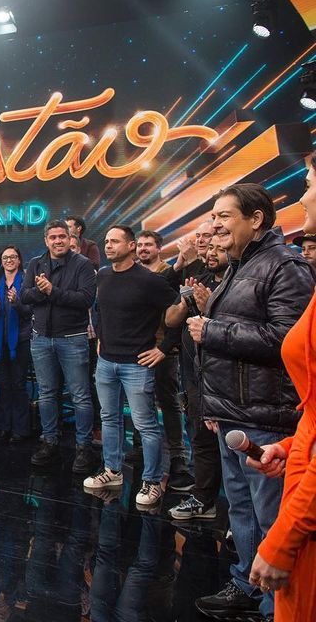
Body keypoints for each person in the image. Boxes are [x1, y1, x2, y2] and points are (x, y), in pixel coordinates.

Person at [188, 183, 313, 621]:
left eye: (224, 216)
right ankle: (246, 584)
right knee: (240, 508)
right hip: (232, 413)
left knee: (269, 514)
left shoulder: (285, 266)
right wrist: (213, 408)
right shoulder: (240, 265)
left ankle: (274, 603)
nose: (215, 224)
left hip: (266, 418)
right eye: (214, 216)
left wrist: (212, 331)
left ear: (256, 219)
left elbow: (289, 340)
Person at [244, 157, 316, 622]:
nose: (305, 195)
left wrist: (285, 535)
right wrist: (292, 447)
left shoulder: (284, 266)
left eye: (312, 183)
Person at [81, 226, 176, 509]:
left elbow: (179, 310)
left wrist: (163, 348)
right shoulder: (104, 276)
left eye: (115, 241)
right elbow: (99, 311)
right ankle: (112, 470)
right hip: (107, 361)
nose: (108, 246)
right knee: (109, 418)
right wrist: (100, 337)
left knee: (146, 425)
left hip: (137, 364)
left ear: (131, 246)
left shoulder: (149, 280)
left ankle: (152, 481)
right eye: (106, 241)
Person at [21, 220, 97, 473]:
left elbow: (85, 299)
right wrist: (44, 292)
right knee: (46, 393)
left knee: (80, 396)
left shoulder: (83, 265)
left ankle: (84, 447)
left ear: (70, 238)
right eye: (52, 237)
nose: (58, 241)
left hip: (73, 339)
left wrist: (52, 291)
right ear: (46, 240)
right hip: (41, 338)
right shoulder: (35, 264)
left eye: (62, 236)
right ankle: (49, 441)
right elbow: (24, 296)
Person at [165, 242, 229, 521]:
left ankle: (243, 515)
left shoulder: (235, 282)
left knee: (232, 445)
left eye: (219, 247)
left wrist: (209, 306)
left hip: (226, 374)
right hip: (194, 372)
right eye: (209, 249)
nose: (212, 253)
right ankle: (204, 499)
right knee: (200, 437)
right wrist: (184, 302)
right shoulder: (197, 280)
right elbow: (170, 321)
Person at [134, 230, 189, 490]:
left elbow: (177, 315)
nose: (143, 249)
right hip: (136, 349)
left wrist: (166, 348)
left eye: (149, 245)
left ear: (159, 248)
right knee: (139, 402)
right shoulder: (132, 273)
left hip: (162, 350)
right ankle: (139, 448)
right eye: (141, 244)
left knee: (168, 403)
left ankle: (177, 457)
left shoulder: (171, 274)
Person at [0, 246, 32, 441]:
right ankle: (4, 426)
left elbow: (30, 312)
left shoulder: (27, 282)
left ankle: (20, 429)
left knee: (19, 384)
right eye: (5, 257)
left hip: (21, 340)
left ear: (19, 260)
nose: (9, 260)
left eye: (13, 257)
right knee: (4, 385)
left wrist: (17, 302)